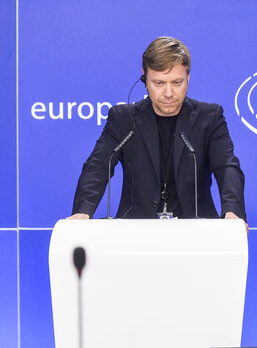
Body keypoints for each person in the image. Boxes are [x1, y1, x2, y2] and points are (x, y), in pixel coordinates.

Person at [68, 36, 246, 222]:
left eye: (177, 82)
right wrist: (83, 212)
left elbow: (227, 167)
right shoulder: (123, 120)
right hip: (134, 232)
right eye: (159, 83)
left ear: (188, 78)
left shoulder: (209, 117)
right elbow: (98, 167)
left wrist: (232, 212)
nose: (168, 93)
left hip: (197, 232)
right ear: (145, 79)